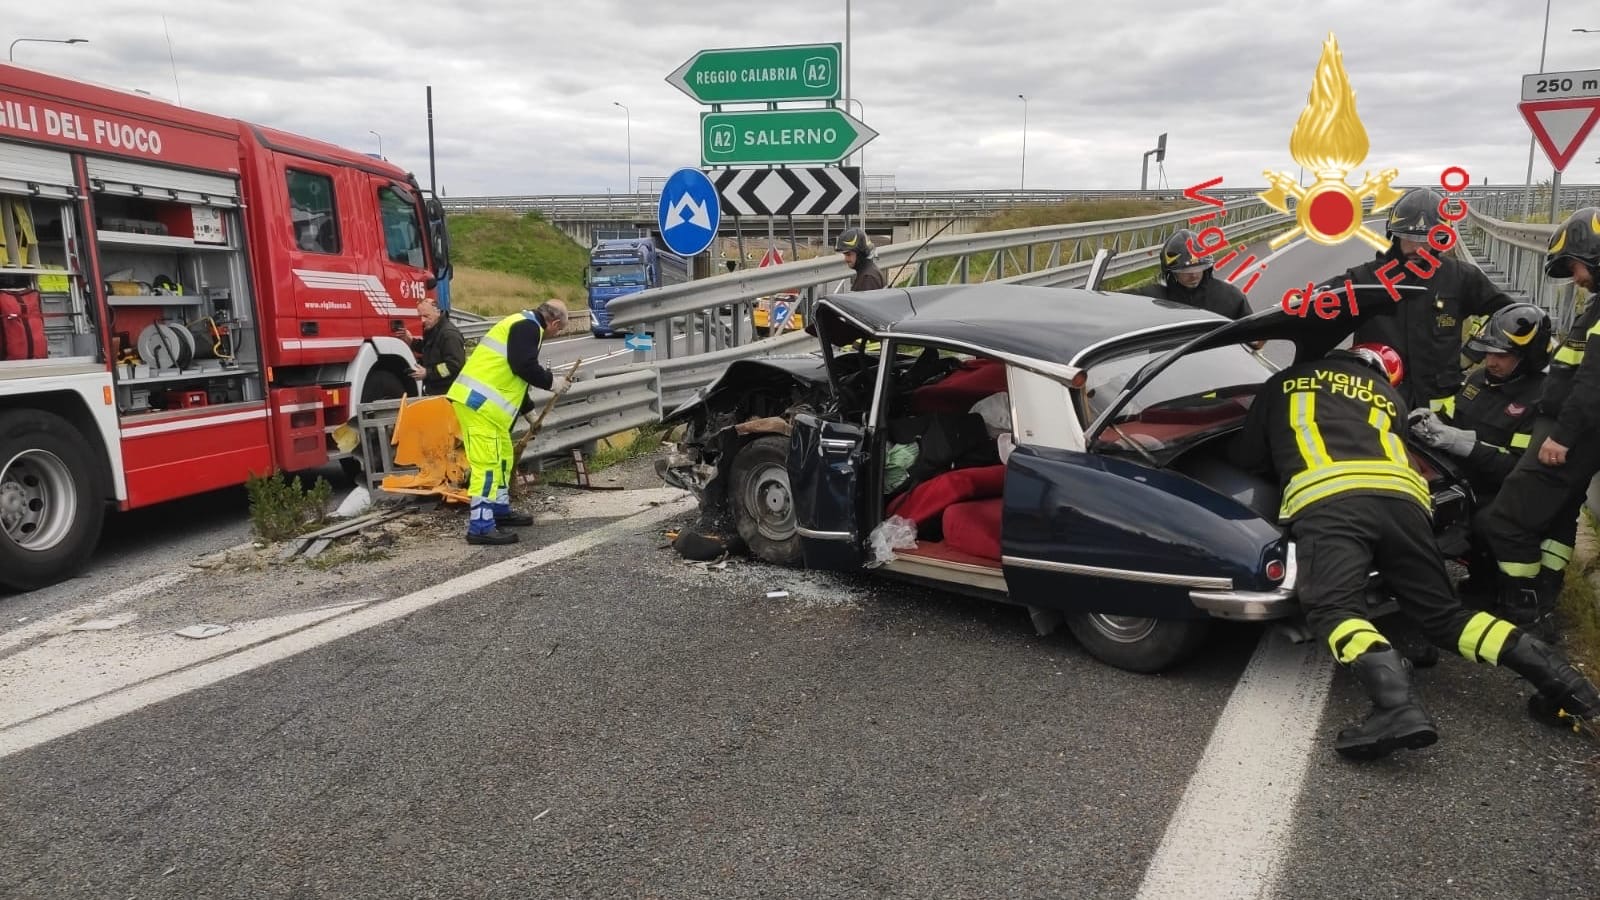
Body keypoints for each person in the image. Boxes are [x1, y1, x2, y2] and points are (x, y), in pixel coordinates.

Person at [1229, 341, 1599, 759]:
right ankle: (1570, 689)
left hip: (1331, 499)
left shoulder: (1284, 382)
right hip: (1405, 500)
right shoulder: (1387, 395)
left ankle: (1395, 707)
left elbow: (1249, 458)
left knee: (1333, 610)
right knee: (1444, 616)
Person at [1477, 207, 1600, 639]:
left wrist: (1561, 437)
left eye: (1577, 266)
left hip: (1570, 433)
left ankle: (1523, 611)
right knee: (1559, 519)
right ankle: (1547, 599)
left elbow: (1592, 382)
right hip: (1581, 434)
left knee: (1504, 520)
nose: (1576, 277)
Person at [1407, 303, 1552, 602]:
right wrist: (1431, 424)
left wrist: (1463, 444)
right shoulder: (1477, 381)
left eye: (1502, 355)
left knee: (1486, 524)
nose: (1491, 362)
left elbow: (1517, 468)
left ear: (1527, 358)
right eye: (1487, 353)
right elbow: (1452, 416)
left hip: (1505, 491)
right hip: (1462, 481)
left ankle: (1512, 595)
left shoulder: (1541, 399)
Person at [1325, 187, 1512, 411]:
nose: (1416, 247)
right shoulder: (1364, 280)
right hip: (1376, 404)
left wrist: (1473, 351)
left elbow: (1508, 314)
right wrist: (1272, 327)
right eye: (1409, 238)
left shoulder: (1460, 278)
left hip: (1439, 410)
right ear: (1394, 235)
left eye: (1426, 239)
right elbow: (1311, 304)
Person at [446, 299, 571, 546]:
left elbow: (514, 378)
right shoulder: (529, 328)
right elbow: (523, 366)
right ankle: (480, 527)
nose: (556, 334)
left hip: (487, 409)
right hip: (478, 406)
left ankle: (499, 510)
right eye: (559, 330)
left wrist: (529, 413)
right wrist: (551, 382)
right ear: (554, 322)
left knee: (502, 458)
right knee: (488, 466)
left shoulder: (522, 324)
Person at [1135, 229, 1252, 320]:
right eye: (1186, 271)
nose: (1193, 275)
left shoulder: (1230, 297)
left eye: (1199, 268)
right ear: (1171, 272)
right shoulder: (1152, 299)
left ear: (1207, 268)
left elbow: (1255, 338)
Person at [396, 296, 466, 397]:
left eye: (426, 316)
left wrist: (427, 373)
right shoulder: (434, 330)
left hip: (448, 393)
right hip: (437, 391)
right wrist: (410, 341)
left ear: (437, 312)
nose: (422, 320)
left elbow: (453, 365)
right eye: (420, 316)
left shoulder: (449, 334)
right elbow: (429, 349)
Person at [836, 227, 885, 291]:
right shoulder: (868, 272)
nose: (846, 259)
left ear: (860, 253)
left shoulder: (868, 278)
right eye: (845, 255)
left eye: (848, 254)